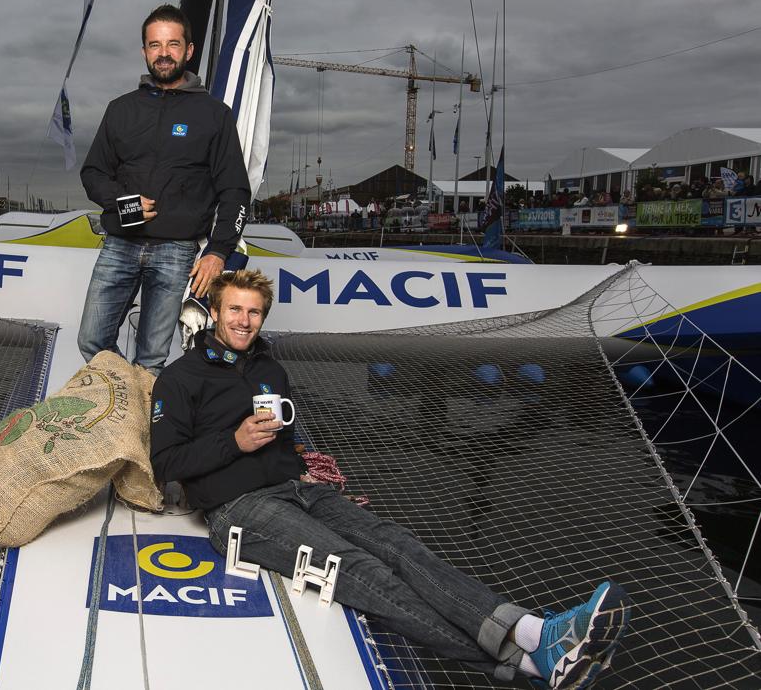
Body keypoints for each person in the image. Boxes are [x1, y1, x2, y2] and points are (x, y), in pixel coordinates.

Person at [150, 269, 631, 689]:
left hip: (298, 489)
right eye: (234, 309)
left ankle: (535, 631)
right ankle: (529, 661)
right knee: (360, 570)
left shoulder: (271, 369)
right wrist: (235, 441)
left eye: (254, 312)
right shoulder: (181, 378)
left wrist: (295, 463)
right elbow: (165, 464)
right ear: (214, 312)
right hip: (240, 508)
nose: (243, 320)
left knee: (400, 546)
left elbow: (285, 440)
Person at [78, 4, 250, 373]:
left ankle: (138, 423)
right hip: (120, 244)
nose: (164, 53)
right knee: (92, 341)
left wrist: (218, 252)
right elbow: (93, 173)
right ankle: (122, 405)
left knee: (152, 358)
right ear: (144, 51)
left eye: (173, 44)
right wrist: (123, 203)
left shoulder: (214, 114)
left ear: (188, 50)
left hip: (176, 253)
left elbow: (235, 190)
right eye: (154, 45)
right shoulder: (120, 109)